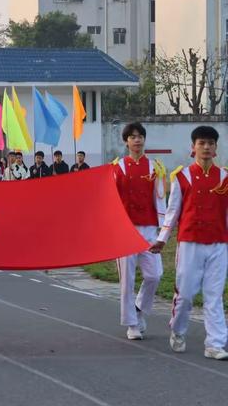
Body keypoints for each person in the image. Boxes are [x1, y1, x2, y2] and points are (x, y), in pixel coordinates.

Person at [151, 126, 228, 360]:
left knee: (214, 295)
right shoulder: (182, 176)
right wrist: (162, 239)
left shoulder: (225, 177)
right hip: (189, 242)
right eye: (202, 143)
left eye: (210, 143)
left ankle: (215, 343)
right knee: (185, 294)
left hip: (218, 243)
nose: (206, 147)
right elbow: (173, 211)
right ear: (193, 147)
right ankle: (178, 329)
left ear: (216, 149)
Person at [113, 122, 166, 340]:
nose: (137, 140)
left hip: (149, 230)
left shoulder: (156, 167)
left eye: (140, 136)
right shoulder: (117, 167)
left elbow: (160, 200)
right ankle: (132, 324)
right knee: (127, 280)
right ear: (126, 141)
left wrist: (163, 232)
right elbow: (110, 200)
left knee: (155, 275)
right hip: (124, 230)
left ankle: (138, 309)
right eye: (132, 137)